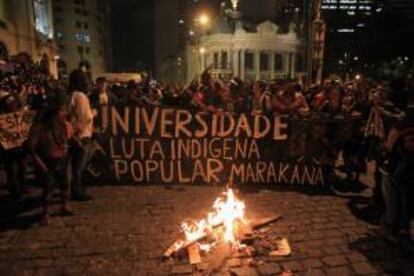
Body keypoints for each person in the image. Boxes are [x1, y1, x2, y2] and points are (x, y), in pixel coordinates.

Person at [28, 94, 74, 225]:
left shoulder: (62, 125)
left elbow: (68, 139)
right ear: (54, 112)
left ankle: (64, 205)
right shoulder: (39, 127)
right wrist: (41, 164)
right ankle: (46, 212)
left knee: (65, 184)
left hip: (62, 159)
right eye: (62, 110)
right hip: (47, 161)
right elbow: (32, 148)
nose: (65, 113)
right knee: (48, 188)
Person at [380, 106, 414, 253]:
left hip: (405, 167)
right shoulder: (407, 117)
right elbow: (391, 140)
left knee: (403, 202)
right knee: (398, 202)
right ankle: (394, 230)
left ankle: (398, 229)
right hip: (401, 167)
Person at [68, 69, 95, 201]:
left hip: (74, 135)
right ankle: (78, 191)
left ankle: (75, 189)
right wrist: (94, 113)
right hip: (82, 135)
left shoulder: (72, 95)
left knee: (75, 165)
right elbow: (85, 117)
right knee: (80, 166)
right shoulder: (81, 97)